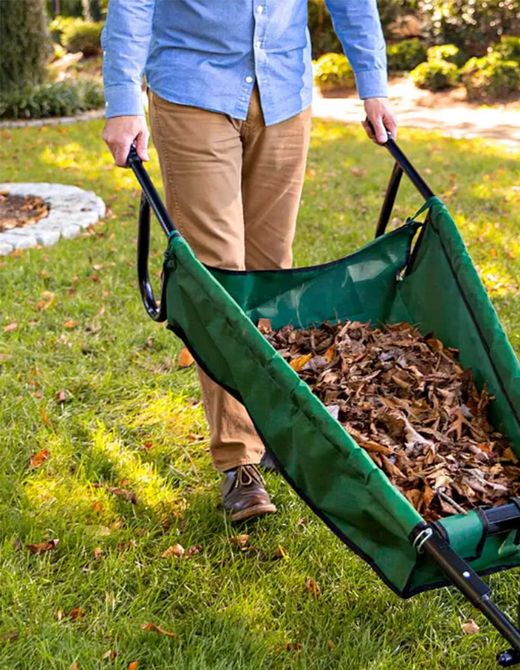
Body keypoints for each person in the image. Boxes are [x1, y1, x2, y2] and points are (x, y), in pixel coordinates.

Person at [101, 1, 397, 523]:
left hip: (284, 91)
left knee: (272, 274)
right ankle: (239, 458)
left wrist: (373, 85)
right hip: (192, 88)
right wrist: (123, 100)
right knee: (221, 280)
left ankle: (273, 430)